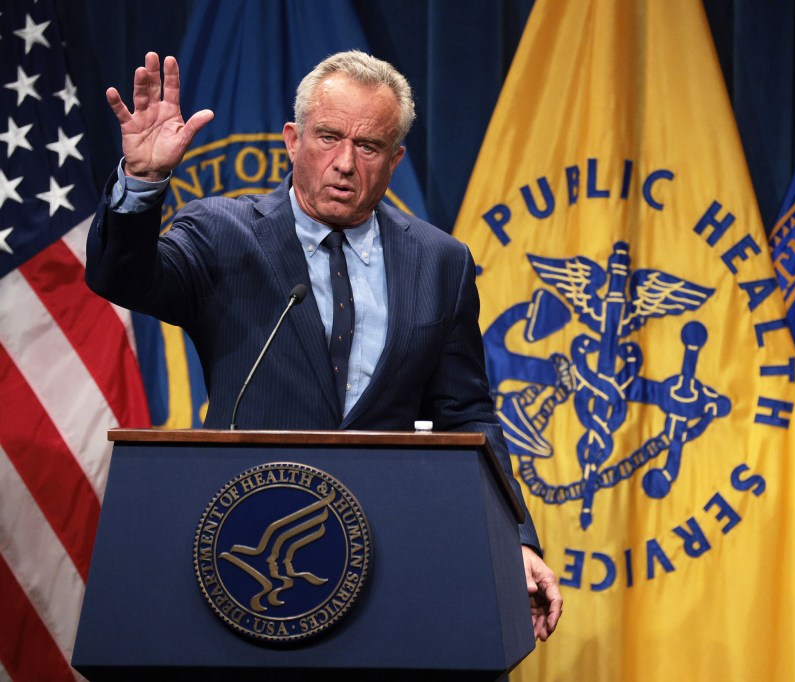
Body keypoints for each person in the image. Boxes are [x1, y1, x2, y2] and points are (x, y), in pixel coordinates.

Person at [86, 50, 562, 641]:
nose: (344, 163)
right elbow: (119, 278)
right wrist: (143, 183)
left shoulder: (441, 262)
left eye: (367, 147)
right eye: (328, 137)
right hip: (245, 548)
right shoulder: (221, 234)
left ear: (395, 159)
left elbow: (466, 415)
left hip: (390, 558)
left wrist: (512, 538)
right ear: (292, 139)